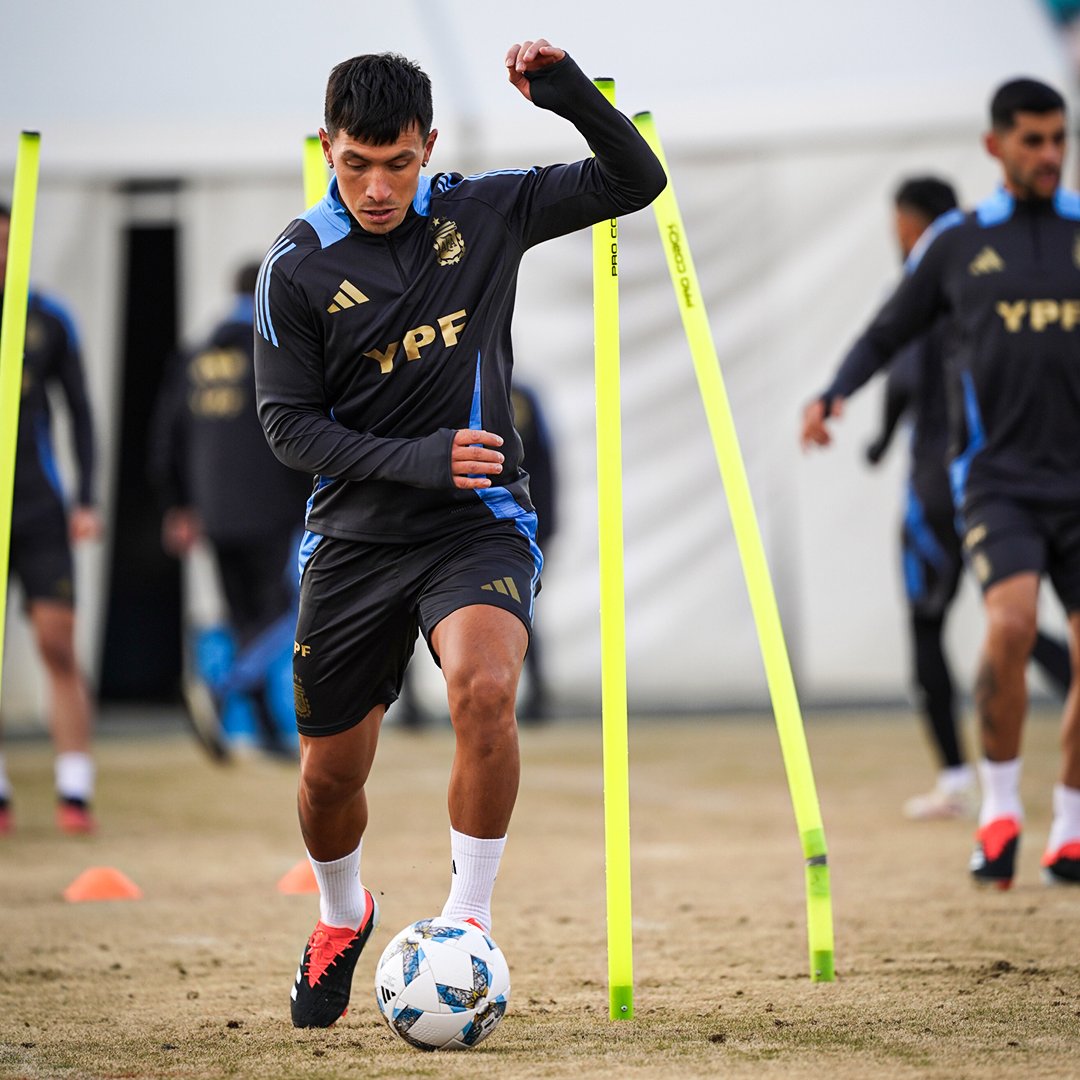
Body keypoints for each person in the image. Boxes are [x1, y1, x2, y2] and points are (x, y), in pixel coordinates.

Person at [254, 39, 665, 1027]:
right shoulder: (295, 266)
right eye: (357, 163)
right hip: (354, 538)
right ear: (327, 148)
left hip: (476, 524)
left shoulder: (483, 213)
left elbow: (635, 178)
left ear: (428, 146)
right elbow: (287, 429)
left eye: (399, 162)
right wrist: (417, 456)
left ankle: (467, 930)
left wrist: (566, 95)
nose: (379, 186)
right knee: (328, 777)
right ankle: (343, 914)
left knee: (485, 692)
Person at [801, 78, 1080, 889]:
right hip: (998, 483)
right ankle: (997, 812)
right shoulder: (956, 243)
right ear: (995, 147)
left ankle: (1068, 825)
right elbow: (889, 328)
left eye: (1059, 137)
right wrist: (834, 393)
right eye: (1032, 140)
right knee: (1012, 625)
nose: (1049, 154)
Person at [149, 262, 311, 762]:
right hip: (271, 507)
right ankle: (221, 688)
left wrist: (177, 504)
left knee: (246, 618)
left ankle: (262, 733)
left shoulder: (196, 354)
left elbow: (165, 438)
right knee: (287, 612)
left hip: (213, 511)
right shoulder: (274, 348)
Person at [0, 203, 102, 835]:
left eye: (9, 243)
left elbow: (82, 414)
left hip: (39, 507)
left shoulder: (49, 318)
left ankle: (74, 789)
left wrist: (86, 499)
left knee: (55, 642)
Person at [394, 376, 558, 730]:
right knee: (405, 616)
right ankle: (407, 704)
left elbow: (540, 462)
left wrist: (542, 523)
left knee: (512, 614)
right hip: (422, 524)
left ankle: (538, 696)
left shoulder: (516, 395)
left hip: (501, 527)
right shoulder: (427, 389)